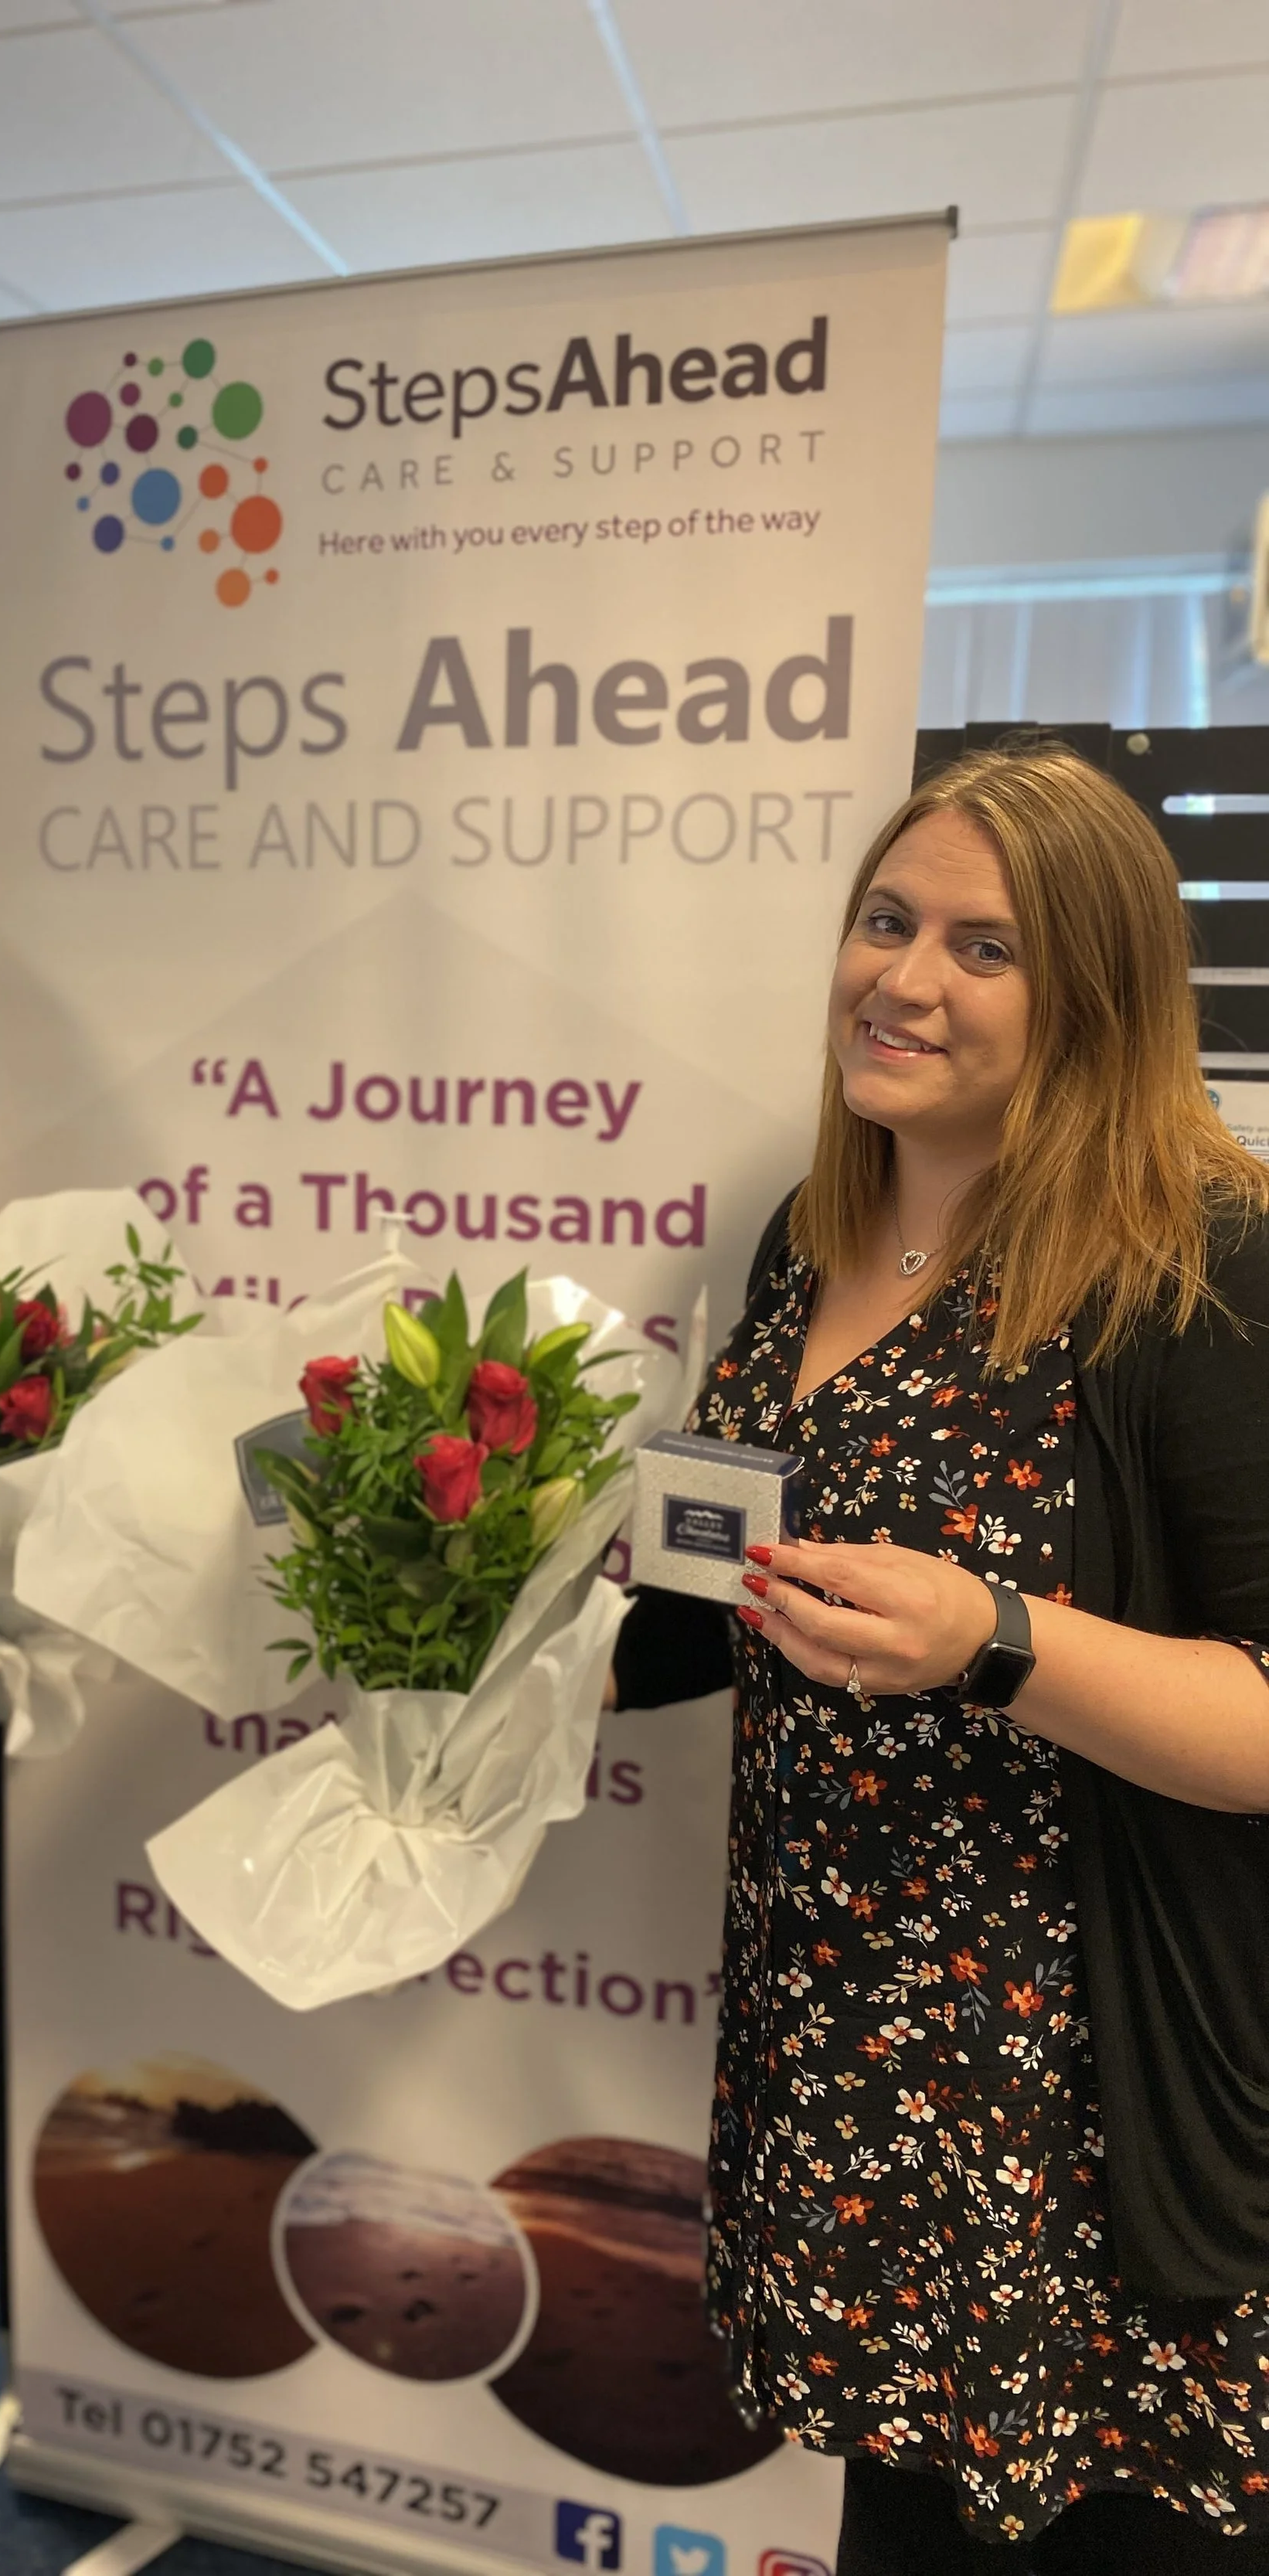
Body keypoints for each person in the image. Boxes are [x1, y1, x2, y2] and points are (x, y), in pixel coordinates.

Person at [616, 744, 1269, 2573]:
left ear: (1093, 995)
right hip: (843, 2057)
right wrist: (464, 1647)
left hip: (1075, 2105)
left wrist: (996, 1641)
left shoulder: (1197, 1263)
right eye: (885, 921)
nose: (902, 979)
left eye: (982, 948)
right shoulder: (813, 1229)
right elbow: (726, 1586)